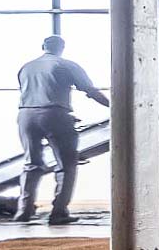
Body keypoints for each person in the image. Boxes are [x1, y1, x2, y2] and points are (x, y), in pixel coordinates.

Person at [15, 35, 109, 224]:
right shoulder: (67, 65)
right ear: (62, 48)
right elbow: (89, 90)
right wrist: (114, 107)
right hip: (55, 115)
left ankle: (23, 212)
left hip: (26, 116)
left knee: (31, 164)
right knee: (66, 165)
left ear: (43, 46)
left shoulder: (26, 67)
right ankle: (58, 213)